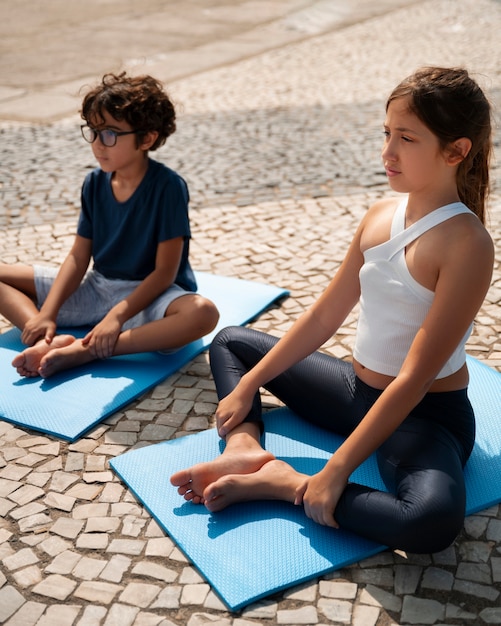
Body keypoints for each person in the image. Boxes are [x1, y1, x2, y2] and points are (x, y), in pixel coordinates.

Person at [171, 66, 494, 554]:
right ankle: (246, 451)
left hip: (423, 417)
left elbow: (414, 379)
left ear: (456, 151)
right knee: (232, 343)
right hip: (355, 391)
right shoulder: (380, 215)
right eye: (387, 134)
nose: (387, 152)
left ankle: (283, 482)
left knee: (431, 522)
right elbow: (324, 317)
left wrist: (333, 471)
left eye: (406, 138)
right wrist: (250, 385)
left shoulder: (467, 244)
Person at [0, 72, 219, 378]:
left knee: (203, 313)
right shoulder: (93, 183)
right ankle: (45, 340)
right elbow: (78, 257)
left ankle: (85, 349)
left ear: (146, 138)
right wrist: (47, 314)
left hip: (151, 297)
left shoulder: (168, 187)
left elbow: (164, 272)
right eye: (93, 131)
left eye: (110, 134)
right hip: (98, 287)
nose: (98, 144)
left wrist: (117, 316)